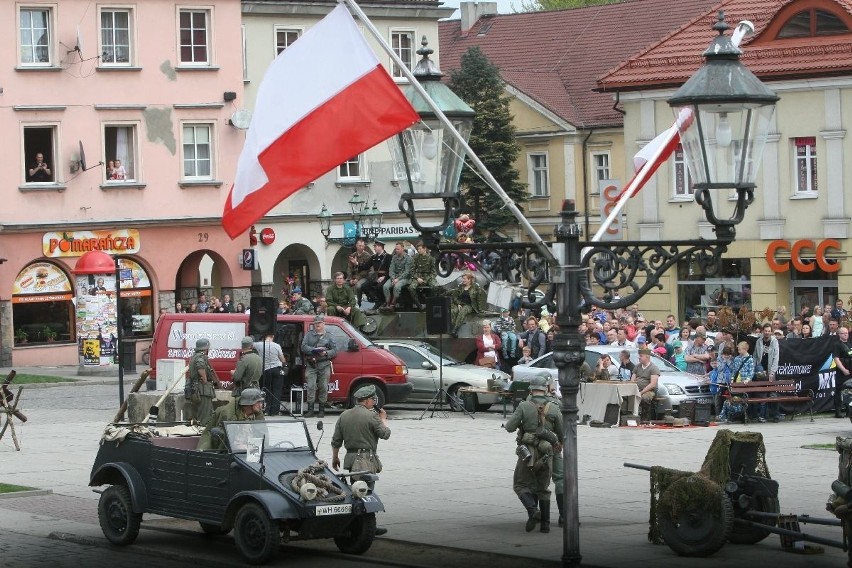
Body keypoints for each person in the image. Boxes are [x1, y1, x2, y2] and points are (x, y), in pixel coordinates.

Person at [504, 373, 563, 533]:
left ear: (531, 389)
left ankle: (532, 510)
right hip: (547, 453)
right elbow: (561, 432)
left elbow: (509, 427)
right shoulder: (555, 407)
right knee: (543, 487)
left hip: (528, 452)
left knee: (520, 484)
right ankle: (545, 525)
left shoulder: (524, 406)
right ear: (545, 389)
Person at [330, 384, 391, 536]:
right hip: (366, 460)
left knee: (355, 492)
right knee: (367, 494)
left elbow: (336, 440)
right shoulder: (372, 416)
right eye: (373, 400)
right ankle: (367, 527)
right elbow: (385, 434)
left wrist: (335, 457)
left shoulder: (344, 415)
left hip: (351, 459)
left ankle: (355, 525)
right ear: (366, 401)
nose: (374, 403)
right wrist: (383, 419)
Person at [196, 388, 265, 451]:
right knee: (216, 431)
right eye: (258, 402)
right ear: (249, 403)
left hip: (251, 449)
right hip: (229, 451)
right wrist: (239, 446)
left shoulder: (257, 414)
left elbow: (263, 434)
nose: (261, 405)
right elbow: (230, 440)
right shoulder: (228, 414)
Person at [300, 315, 337, 418]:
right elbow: (303, 347)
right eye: (316, 324)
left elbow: (334, 351)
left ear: (323, 324)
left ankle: (321, 410)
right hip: (312, 364)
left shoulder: (329, 336)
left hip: (324, 364)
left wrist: (325, 353)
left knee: (324, 387)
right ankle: (310, 410)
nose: (317, 326)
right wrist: (313, 350)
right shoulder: (309, 335)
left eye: (319, 324)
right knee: (311, 386)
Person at [186, 338, 219, 424]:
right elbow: (201, 369)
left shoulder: (194, 356)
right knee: (205, 415)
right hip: (202, 390)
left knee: (204, 413)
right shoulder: (200, 358)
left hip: (198, 389)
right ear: (205, 349)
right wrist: (204, 378)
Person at [254, 333, 288, 416]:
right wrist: (285, 364)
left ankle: (267, 410)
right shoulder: (277, 346)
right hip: (277, 369)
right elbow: (282, 359)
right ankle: (275, 411)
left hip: (266, 370)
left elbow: (250, 345)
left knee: (267, 390)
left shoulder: (258, 345)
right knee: (277, 390)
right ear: (272, 336)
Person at [752, 323, 780, 422]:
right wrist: (755, 366)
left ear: (771, 332)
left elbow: (776, 358)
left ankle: (775, 414)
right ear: (763, 331)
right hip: (760, 370)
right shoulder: (759, 341)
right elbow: (755, 355)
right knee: (762, 394)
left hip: (770, 369)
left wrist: (772, 372)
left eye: (769, 331)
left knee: (773, 393)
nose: (767, 333)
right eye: (765, 331)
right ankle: (763, 415)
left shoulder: (774, 341)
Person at [448, 271, 486, 336]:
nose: (463, 280)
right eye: (463, 278)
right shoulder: (460, 286)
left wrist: (480, 309)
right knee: (453, 311)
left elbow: (479, 298)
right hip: (460, 303)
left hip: (470, 305)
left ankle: (455, 329)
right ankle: (451, 327)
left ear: (469, 279)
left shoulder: (476, 287)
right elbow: (455, 296)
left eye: (464, 279)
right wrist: (458, 304)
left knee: (463, 311)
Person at [381, 242, 412, 312]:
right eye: (396, 249)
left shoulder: (408, 258)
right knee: (385, 286)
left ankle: (393, 304)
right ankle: (387, 303)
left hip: (404, 278)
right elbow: (391, 269)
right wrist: (393, 278)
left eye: (398, 249)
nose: (396, 250)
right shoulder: (394, 257)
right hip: (394, 277)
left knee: (397, 287)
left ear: (402, 248)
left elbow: (407, 272)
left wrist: (398, 279)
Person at [631, 348, 659, 420]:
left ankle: (645, 418)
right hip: (637, 389)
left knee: (644, 398)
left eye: (641, 356)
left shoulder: (653, 368)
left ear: (647, 357)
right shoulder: (637, 366)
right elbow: (632, 380)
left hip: (649, 391)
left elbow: (652, 384)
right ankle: (631, 416)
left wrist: (641, 392)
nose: (639, 357)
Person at [407, 241, 437, 311]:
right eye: (418, 249)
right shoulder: (416, 257)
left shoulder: (431, 258)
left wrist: (426, 280)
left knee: (434, 287)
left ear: (425, 249)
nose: (419, 250)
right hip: (418, 276)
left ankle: (431, 304)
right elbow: (412, 270)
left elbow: (434, 272)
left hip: (428, 276)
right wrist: (417, 278)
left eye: (420, 249)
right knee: (411, 288)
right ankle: (419, 305)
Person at [363, 240, 391, 309]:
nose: (374, 248)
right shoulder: (373, 257)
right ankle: (376, 300)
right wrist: (356, 263)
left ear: (380, 247)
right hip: (376, 277)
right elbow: (366, 266)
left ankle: (382, 301)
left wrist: (384, 277)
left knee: (379, 287)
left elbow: (390, 270)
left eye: (375, 246)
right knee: (364, 286)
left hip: (385, 277)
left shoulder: (388, 257)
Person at [347, 238, 374, 307]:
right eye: (359, 245)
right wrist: (350, 279)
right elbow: (349, 268)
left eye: (362, 246)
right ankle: (347, 302)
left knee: (358, 286)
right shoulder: (353, 255)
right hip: (353, 277)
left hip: (364, 277)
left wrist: (357, 279)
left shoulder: (367, 256)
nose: (361, 247)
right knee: (343, 284)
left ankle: (358, 302)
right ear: (356, 246)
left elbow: (366, 270)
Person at [833, 327, 852, 418]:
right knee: (839, 390)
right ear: (839, 335)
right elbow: (836, 359)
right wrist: (843, 370)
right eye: (843, 333)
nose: (845, 334)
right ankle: (838, 411)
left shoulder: (849, 344)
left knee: (849, 391)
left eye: (846, 333)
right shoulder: (837, 345)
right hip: (842, 372)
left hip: (850, 371)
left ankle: (849, 410)